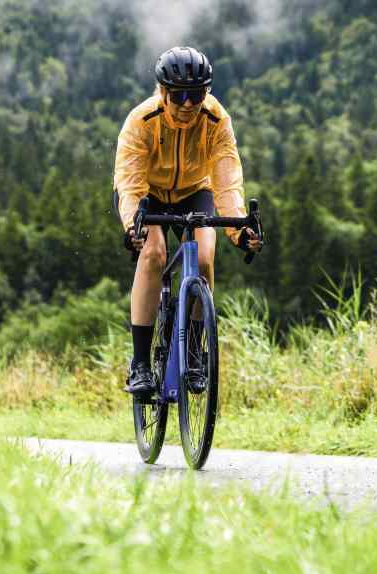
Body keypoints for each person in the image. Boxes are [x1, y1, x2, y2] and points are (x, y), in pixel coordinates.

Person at [113, 46, 262, 394]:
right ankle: (139, 365)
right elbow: (130, 183)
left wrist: (240, 232)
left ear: (205, 93)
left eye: (195, 94)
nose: (187, 104)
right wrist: (133, 226)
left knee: (205, 259)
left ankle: (194, 352)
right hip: (147, 194)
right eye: (178, 95)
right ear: (162, 92)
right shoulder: (141, 120)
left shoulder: (216, 119)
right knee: (153, 255)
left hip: (196, 190)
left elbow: (227, 181)